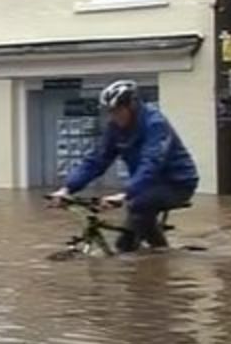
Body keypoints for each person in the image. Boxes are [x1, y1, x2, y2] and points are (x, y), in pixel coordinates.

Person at [50, 80, 199, 252]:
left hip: (177, 183)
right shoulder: (115, 128)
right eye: (110, 112)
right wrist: (68, 188)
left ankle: (162, 254)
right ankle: (149, 260)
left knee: (138, 206)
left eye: (118, 111)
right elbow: (96, 160)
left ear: (132, 106)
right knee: (125, 244)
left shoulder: (155, 124)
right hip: (144, 186)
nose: (114, 116)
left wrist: (125, 194)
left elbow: (151, 162)